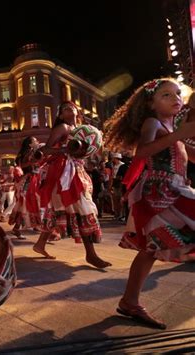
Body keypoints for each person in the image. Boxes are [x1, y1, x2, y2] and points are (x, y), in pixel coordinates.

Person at [104, 78, 195, 329]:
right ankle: (130, 301)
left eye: (177, 93)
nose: (175, 98)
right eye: (166, 95)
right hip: (160, 191)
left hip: (175, 190)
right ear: (151, 104)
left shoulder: (173, 127)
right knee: (150, 248)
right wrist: (179, 134)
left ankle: (129, 301)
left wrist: (183, 136)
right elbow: (143, 152)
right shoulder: (153, 122)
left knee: (150, 249)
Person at [33, 101, 111, 268]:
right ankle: (91, 255)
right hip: (63, 174)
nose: (70, 111)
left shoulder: (82, 130)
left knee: (63, 210)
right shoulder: (62, 128)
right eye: (65, 110)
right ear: (61, 115)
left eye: (72, 108)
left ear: (77, 111)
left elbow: (88, 151)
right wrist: (66, 150)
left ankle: (40, 244)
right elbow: (46, 150)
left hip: (76, 171)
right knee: (82, 209)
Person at [8, 136, 44, 238]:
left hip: (34, 179)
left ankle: (21, 227)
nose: (37, 141)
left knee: (26, 204)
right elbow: (23, 165)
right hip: (29, 179)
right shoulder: (28, 153)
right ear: (30, 144)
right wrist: (33, 162)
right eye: (35, 140)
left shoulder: (34, 152)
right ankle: (24, 227)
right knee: (26, 203)